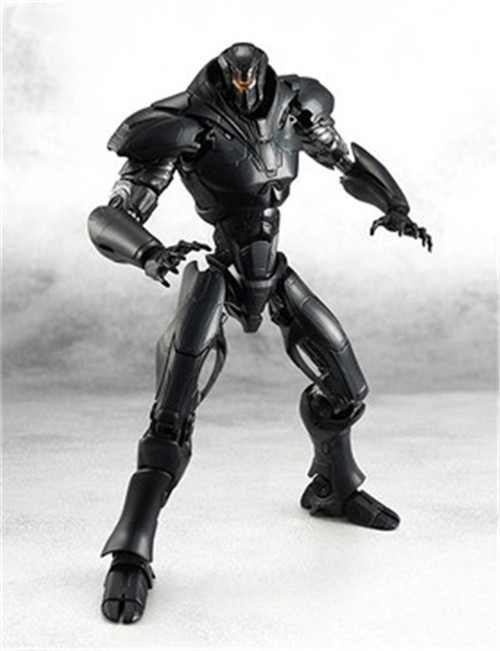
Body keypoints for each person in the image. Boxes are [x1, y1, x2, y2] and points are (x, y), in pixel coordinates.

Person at [88, 42, 432, 624]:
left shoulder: (296, 107)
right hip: (219, 270)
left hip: (272, 270)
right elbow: (110, 214)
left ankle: (332, 488)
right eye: (237, 82)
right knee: (171, 417)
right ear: (223, 79)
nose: (247, 90)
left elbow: (344, 159)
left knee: (347, 390)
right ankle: (130, 552)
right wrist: (148, 252)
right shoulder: (182, 126)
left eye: (254, 81)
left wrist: (394, 204)